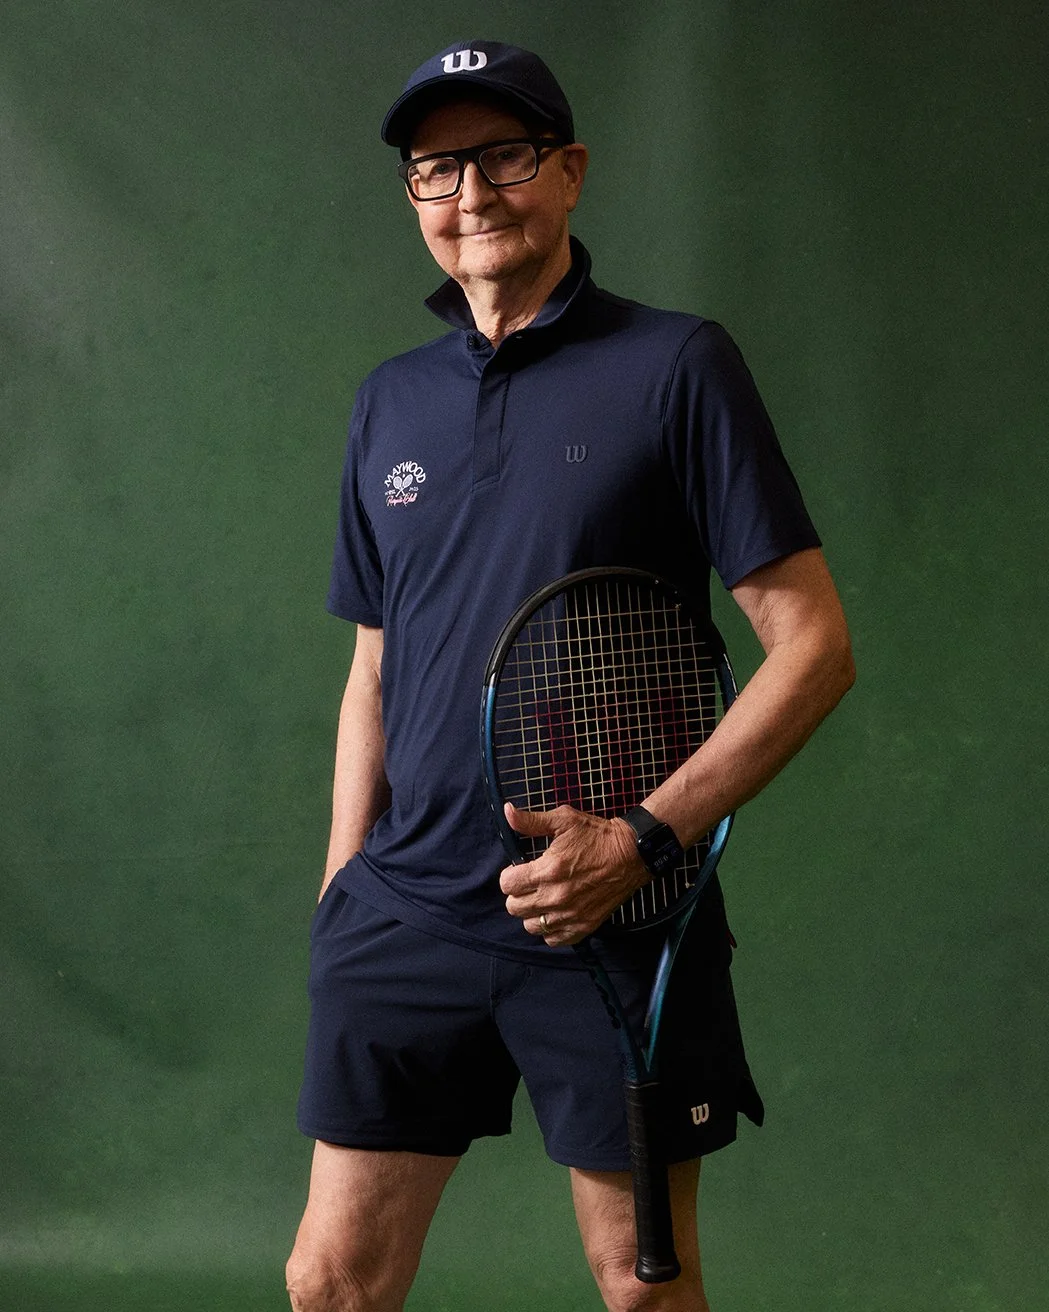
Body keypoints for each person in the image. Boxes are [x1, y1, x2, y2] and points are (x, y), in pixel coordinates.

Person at [286, 39, 854, 1312]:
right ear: (414, 197)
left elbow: (811, 646)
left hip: (609, 917)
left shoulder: (675, 368)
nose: (471, 192)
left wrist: (644, 841)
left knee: (641, 1288)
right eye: (438, 167)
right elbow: (372, 666)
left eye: (503, 156)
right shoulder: (389, 404)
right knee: (330, 1281)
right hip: (404, 916)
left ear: (570, 173)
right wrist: (341, 882)